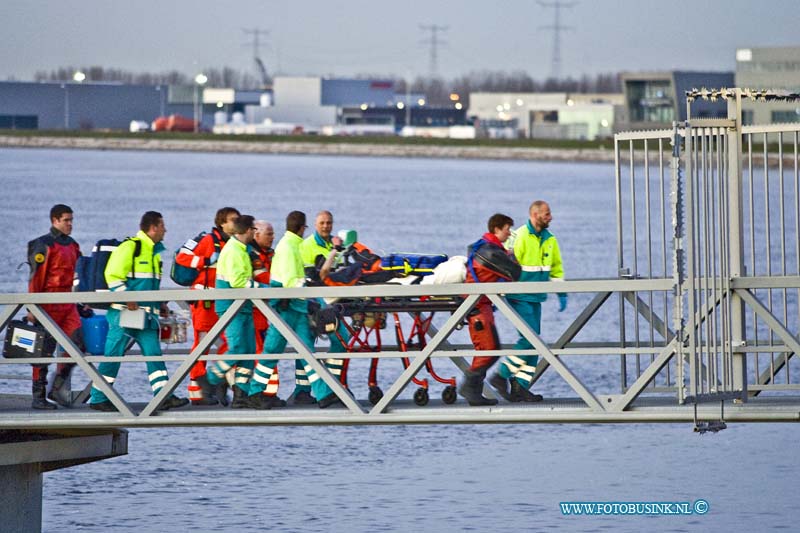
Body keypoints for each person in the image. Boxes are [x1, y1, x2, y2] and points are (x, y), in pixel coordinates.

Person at [89, 211, 189, 412]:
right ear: (153, 228)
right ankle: (98, 398)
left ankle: (163, 396)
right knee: (113, 355)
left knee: (154, 354)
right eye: (162, 226)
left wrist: (160, 304)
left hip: (146, 316)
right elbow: (113, 275)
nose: (165, 230)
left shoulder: (153, 252)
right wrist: (127, 297)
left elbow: (147, 285)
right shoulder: (131, 247)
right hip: (125, 313)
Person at [248, 210, 341, 409]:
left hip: (294, 306)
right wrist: (310, 297)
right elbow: (292, 281)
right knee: (274, 350)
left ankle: (324, 393)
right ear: (302, 228)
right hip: (287, 307)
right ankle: (254, 392)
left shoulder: (288, 245)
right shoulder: (290, 247)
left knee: (304, 351)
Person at [196, 215, 277, 409]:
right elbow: (238, 282)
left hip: (243, 306)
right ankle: (209, 379)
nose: (255, 234)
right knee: (238, 348)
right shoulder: (233, 251)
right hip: (231, 306)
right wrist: (265, 290)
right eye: (253, 230)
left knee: (248, 351)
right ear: (248, 230)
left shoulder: (242, 249)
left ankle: (242, 393)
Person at [489, 200, 566, 403]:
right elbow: (504, 262)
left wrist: (561, 291)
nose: (550, 217)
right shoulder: (519, 236)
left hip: (537, 296)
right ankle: (501, 375)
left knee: (536, 341)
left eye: (550, 213)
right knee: (530, 339)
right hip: (519, 295)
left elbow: (556, 267)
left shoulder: (550, 239)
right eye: (547, 214)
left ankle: (520, 386)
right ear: (534, 215)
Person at [175, 207, 239, 406]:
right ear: (222, 223)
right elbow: (182, 257)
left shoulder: (233, 243)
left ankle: (216, 383)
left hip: (221, 301)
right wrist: (204, 260)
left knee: (228, 343)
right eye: (233, 220)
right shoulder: (208, 241)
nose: (236, 223)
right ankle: (199, 392)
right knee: (203, 344)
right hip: (205, 301)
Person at [26, 204, 88, 409]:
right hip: (47, 302)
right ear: (54, 220)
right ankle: (39, 396)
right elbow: (36, 278)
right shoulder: (44, 245)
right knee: (43, 351)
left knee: (78, 344)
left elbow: (78, 277)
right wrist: (33, 307)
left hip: (67, 303)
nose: (70, 224)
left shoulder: (73, 245)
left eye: (71, 220)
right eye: (66, 220)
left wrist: (81, 302)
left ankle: (58, 384)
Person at [458, 213, 521, 406]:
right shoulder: (490, 252)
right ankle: (469, 388)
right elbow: (514, 272)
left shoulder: (482, 248)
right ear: (496, 229)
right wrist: (514, 258)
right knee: (489, 349)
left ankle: (473, 391)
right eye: (507, 229)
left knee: (489, 349)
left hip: (480, 306)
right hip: (478, 307)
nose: (509, 233)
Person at [298, 210, 350, 400]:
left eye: (329, 222)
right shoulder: (308, 246)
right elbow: (317, 275)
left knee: (306, 345)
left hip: (329, 298)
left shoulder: (331, 244)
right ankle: (315, 389)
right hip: (314, 299)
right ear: (315, 224)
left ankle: (308, 390)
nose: (326, 226)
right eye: (322, 223)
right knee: (338, 339)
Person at [250, 220, 275, 354]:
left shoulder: (270, 254)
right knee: (262, 352)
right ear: (256, 235)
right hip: (253, 310)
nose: (272, 237)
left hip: (264, 311)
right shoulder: (252, 255)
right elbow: (264, 277)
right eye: (269, 234)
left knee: (266, 351)